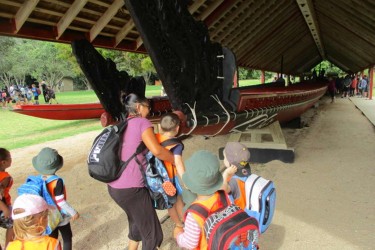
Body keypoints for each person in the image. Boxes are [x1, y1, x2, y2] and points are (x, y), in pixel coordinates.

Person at [107, 93, 174, 250]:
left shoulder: (123, 124)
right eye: (147, 107)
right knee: (153, 235)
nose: (149, 111)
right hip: (132, 189)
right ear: (138, 107)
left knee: (137, 223)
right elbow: (157, 151)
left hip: (115, 187)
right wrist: (174, 159)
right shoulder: (141, 122)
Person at [174, 150, 228, 249]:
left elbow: (190, 243)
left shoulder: (194, 215)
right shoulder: (224, 196)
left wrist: (178, 235)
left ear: (189, 184)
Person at [32, 147, 80, 250]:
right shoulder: (57, 181)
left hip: (47, 215)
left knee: (52, 238)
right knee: (67, 237)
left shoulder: (38, 180)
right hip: (60, 215)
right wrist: (73, 212)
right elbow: (60, 201)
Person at [157, 113, 185, 230]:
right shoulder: (176, 145)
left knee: (169, 203)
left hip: (158, 178)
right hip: (170, 178)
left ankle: (178, 224)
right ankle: (185, 221)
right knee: (178, 199)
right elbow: (178, 163)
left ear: (160, 127)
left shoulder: (155, 138)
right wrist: (185, 180)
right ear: (177, 128)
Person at [221, 142, 252, 209]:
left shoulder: (234, 181)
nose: (224, 160)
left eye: (225, 158)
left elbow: (222, 189)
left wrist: (226, 173)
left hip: (240, 213)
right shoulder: (246, 171)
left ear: (230, 164)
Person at [0, 148, 15, 249]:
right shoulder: (5, 177)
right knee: (13, 224)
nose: (11, 159)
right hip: (2, 207)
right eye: (10, 158)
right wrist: (5, 208)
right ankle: (8, 247)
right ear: (3, 162)